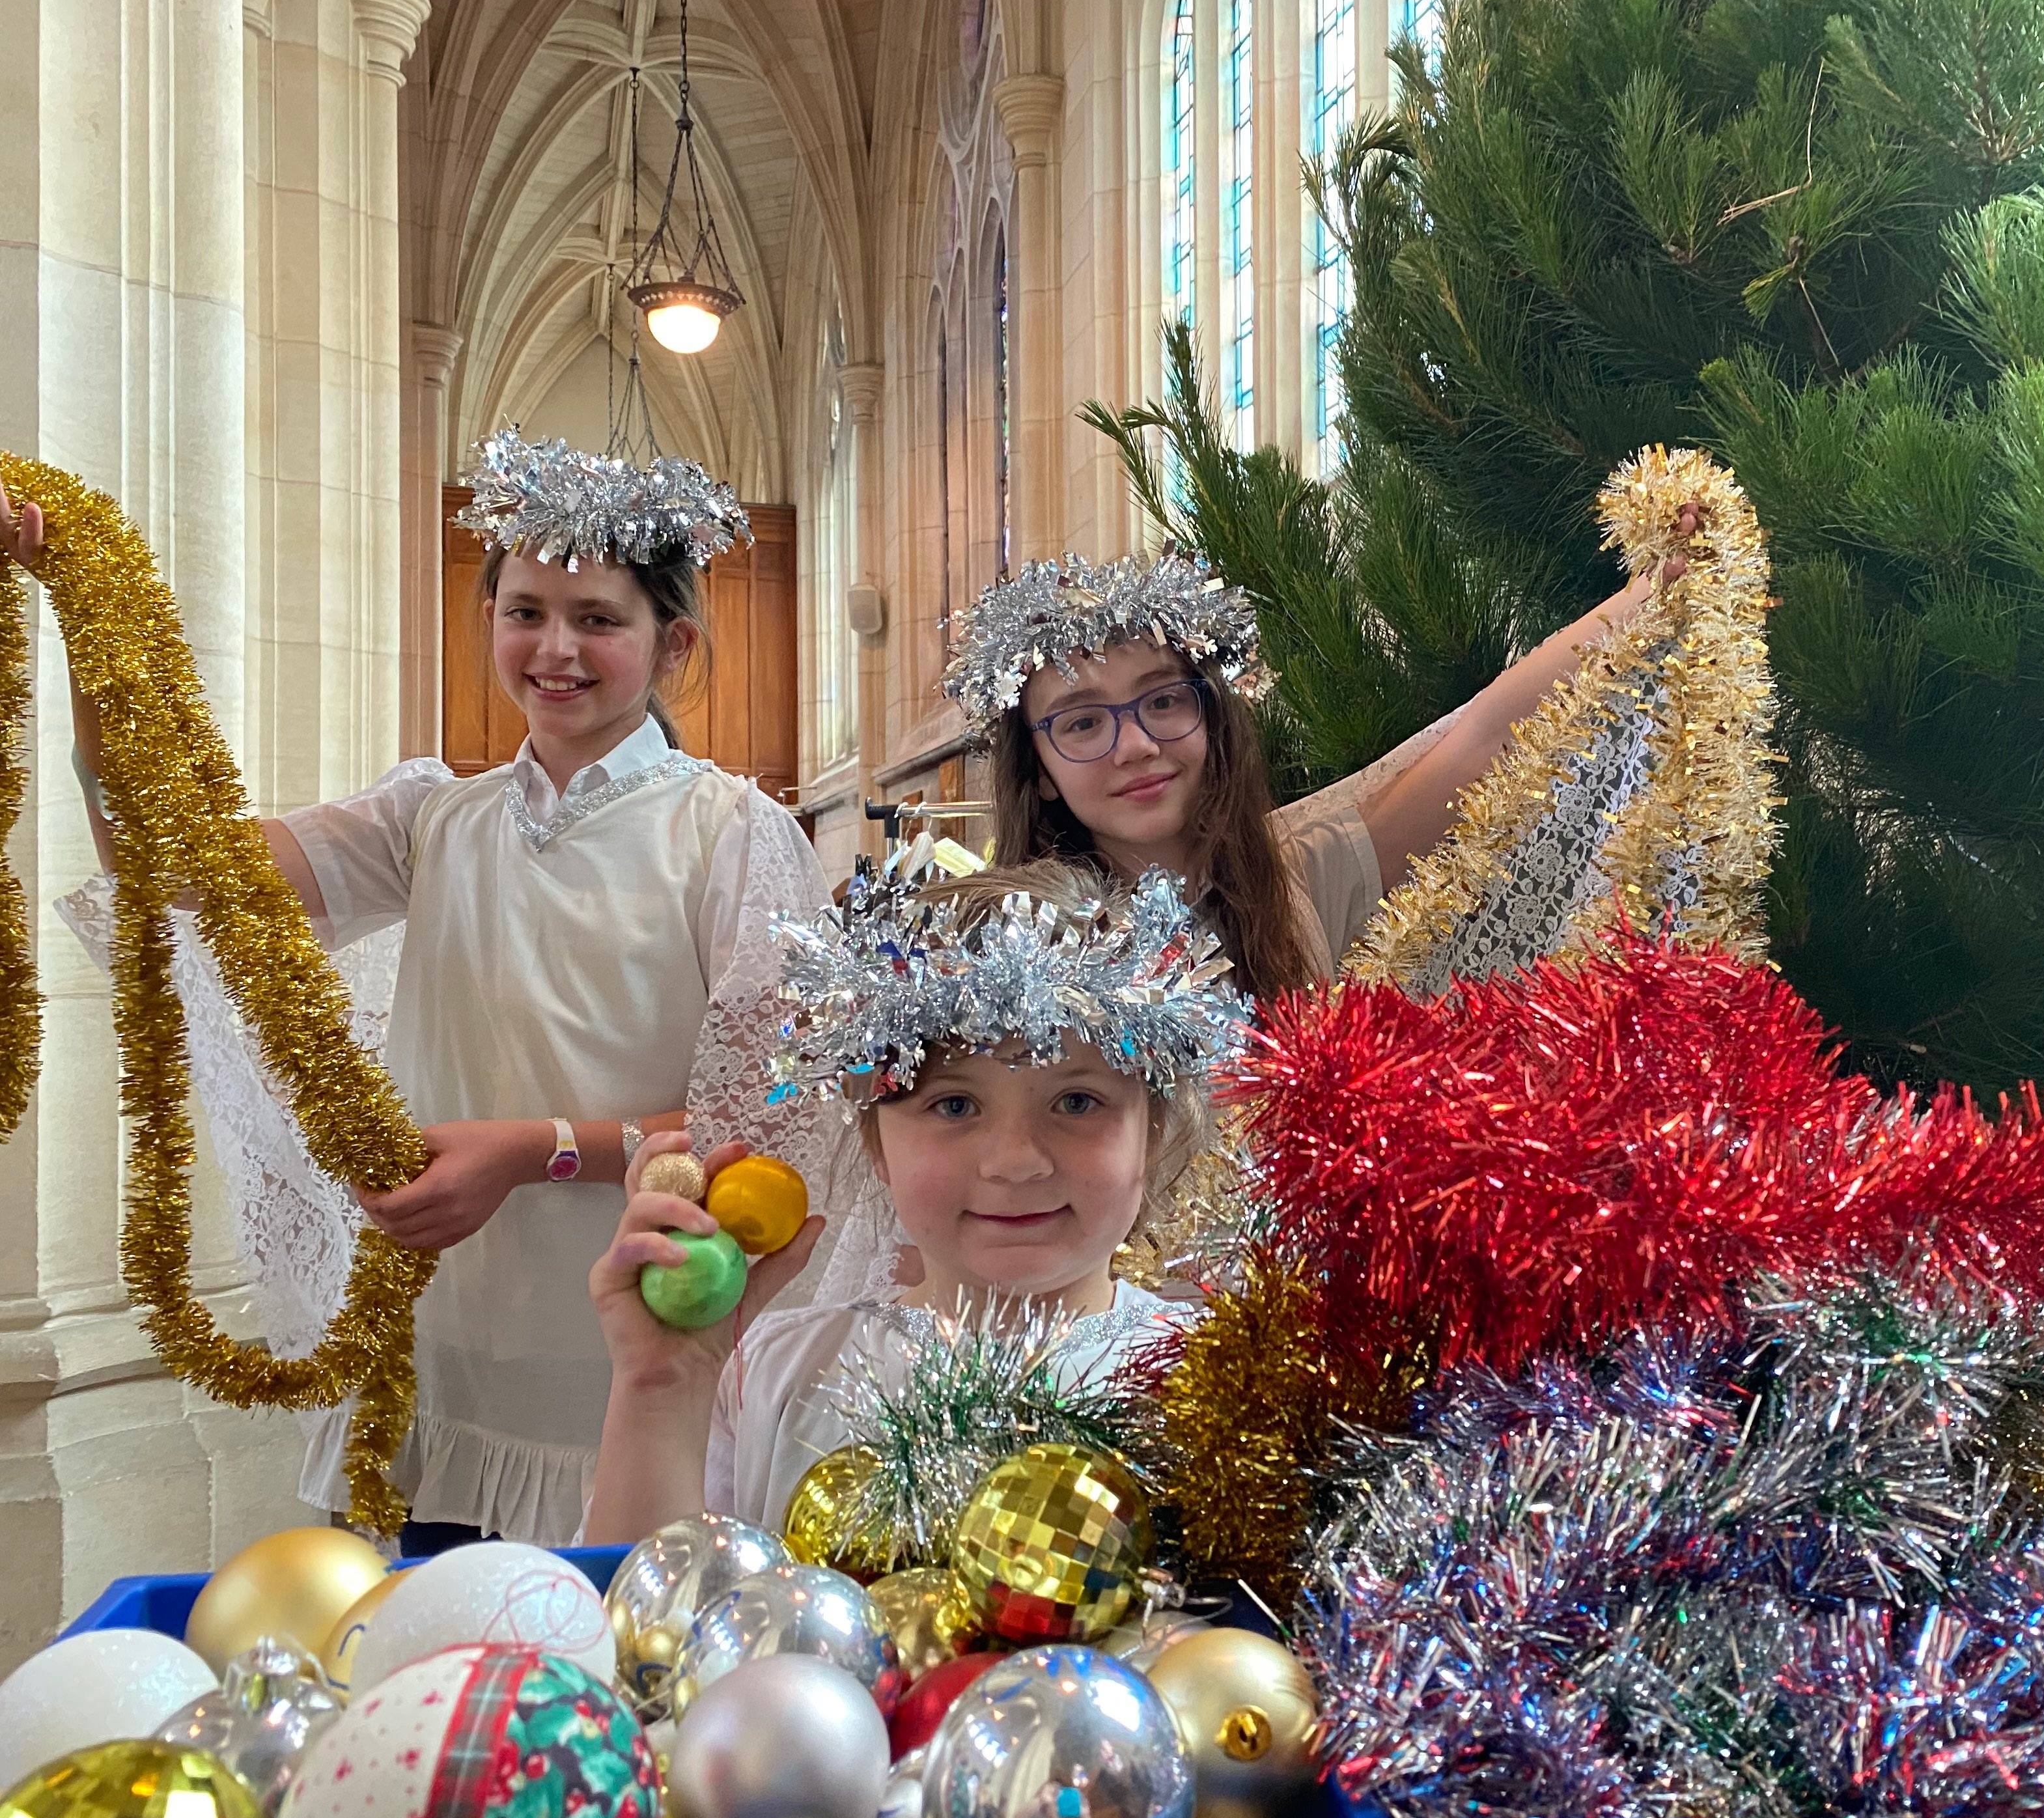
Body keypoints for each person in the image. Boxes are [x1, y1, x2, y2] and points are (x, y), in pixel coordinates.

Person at [3, 428, 828, 1551]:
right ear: (485, 616)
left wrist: (536, 1148)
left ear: (671, 641)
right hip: (440, 1358)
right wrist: (83, 610)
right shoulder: (433, 816)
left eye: (598, 619)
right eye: (525, 609)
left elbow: (789, 1121)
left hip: (636, 1358)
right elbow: (167, 860)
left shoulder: (730, 832)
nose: (555, 647)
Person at [580, 858, 1242, 1543]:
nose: (1015, 1161)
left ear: (1153, 1131)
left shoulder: (1222, 1381)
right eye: (954, 1104)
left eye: (1077, 1102)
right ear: (876, 1145)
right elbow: (634, 1622)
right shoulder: (777, 1376)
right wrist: (661, 1390)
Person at [946, 525, 1694, 996]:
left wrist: (1649, 596)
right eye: (1082, 723)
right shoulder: (1016, 948)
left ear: (1211, 712)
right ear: (1039, 767)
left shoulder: (1297, 879)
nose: (1137, 744)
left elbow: (1485, 739)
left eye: (1164, 701)